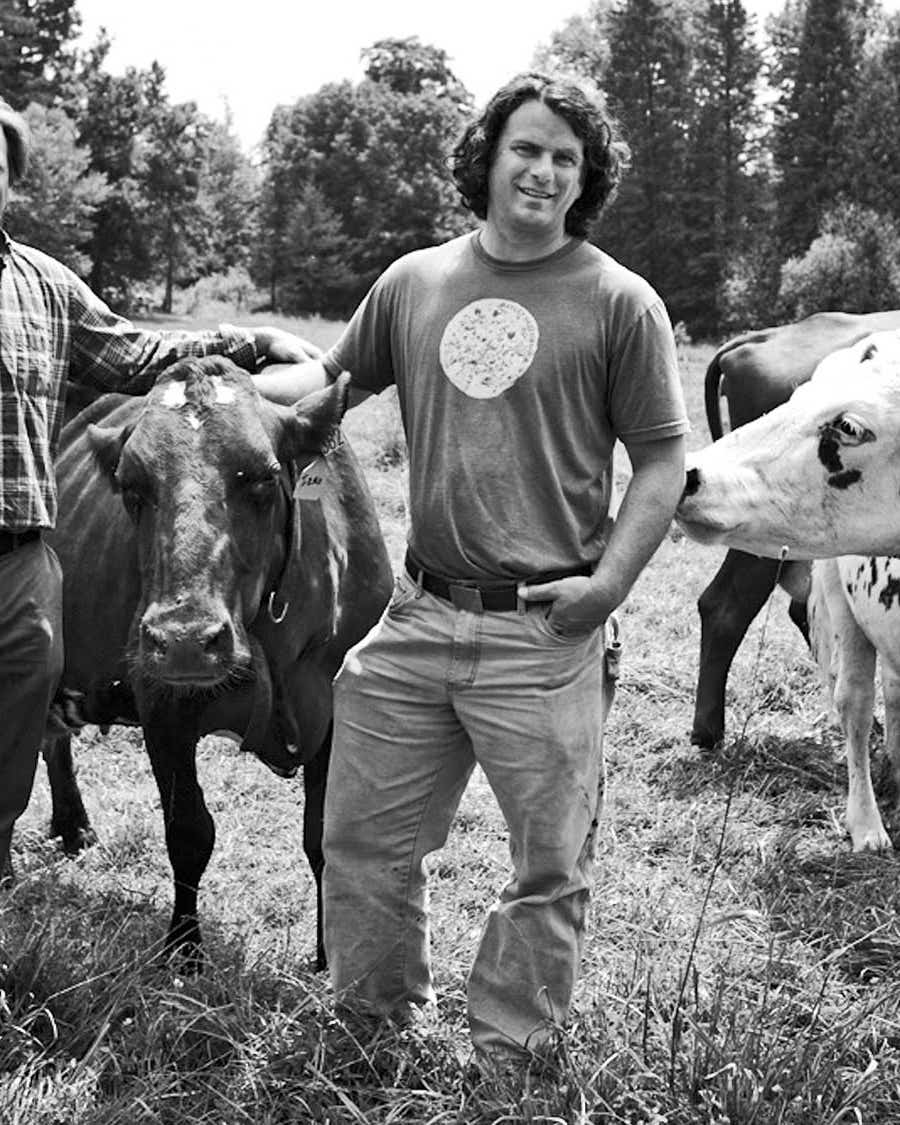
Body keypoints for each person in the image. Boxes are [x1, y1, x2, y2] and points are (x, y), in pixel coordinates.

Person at [230, 71, 688, 1065]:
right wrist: (209, 376)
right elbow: (326, 386)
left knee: (547, 866)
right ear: (486, 158)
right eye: (528, 148)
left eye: (568, 159)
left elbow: (663, 461)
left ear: (586, 179)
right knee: (362, 843)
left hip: (547, 627)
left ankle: (511, 1062)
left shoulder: (621, 302)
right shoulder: (415, 283)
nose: (546, 170)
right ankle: (377, 1028)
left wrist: (608, 588)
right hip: (420, 617)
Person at [0, 96, 318, 884]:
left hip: (18, 557)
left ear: (10, 180)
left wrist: (253, 339)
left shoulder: (44, 286)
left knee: (13, 719)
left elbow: (133, 351)